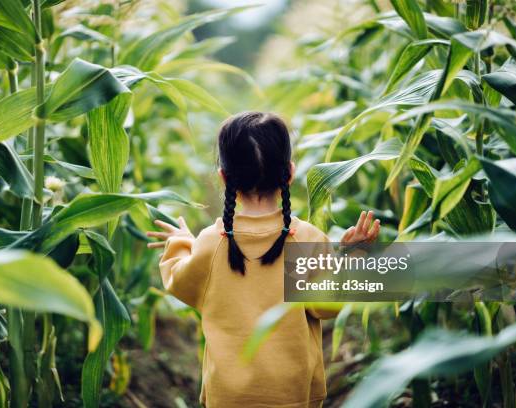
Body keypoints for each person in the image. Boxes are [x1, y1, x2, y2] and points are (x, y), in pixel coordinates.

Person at [146, 112, 380, 407]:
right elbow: (326, 305)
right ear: (290, 173)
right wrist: (348, 255)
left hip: (228, 396)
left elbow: (181, 281)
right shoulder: (306, 239)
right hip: (293, 394)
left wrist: (181, 242)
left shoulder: (211, 243)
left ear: (223, 177)